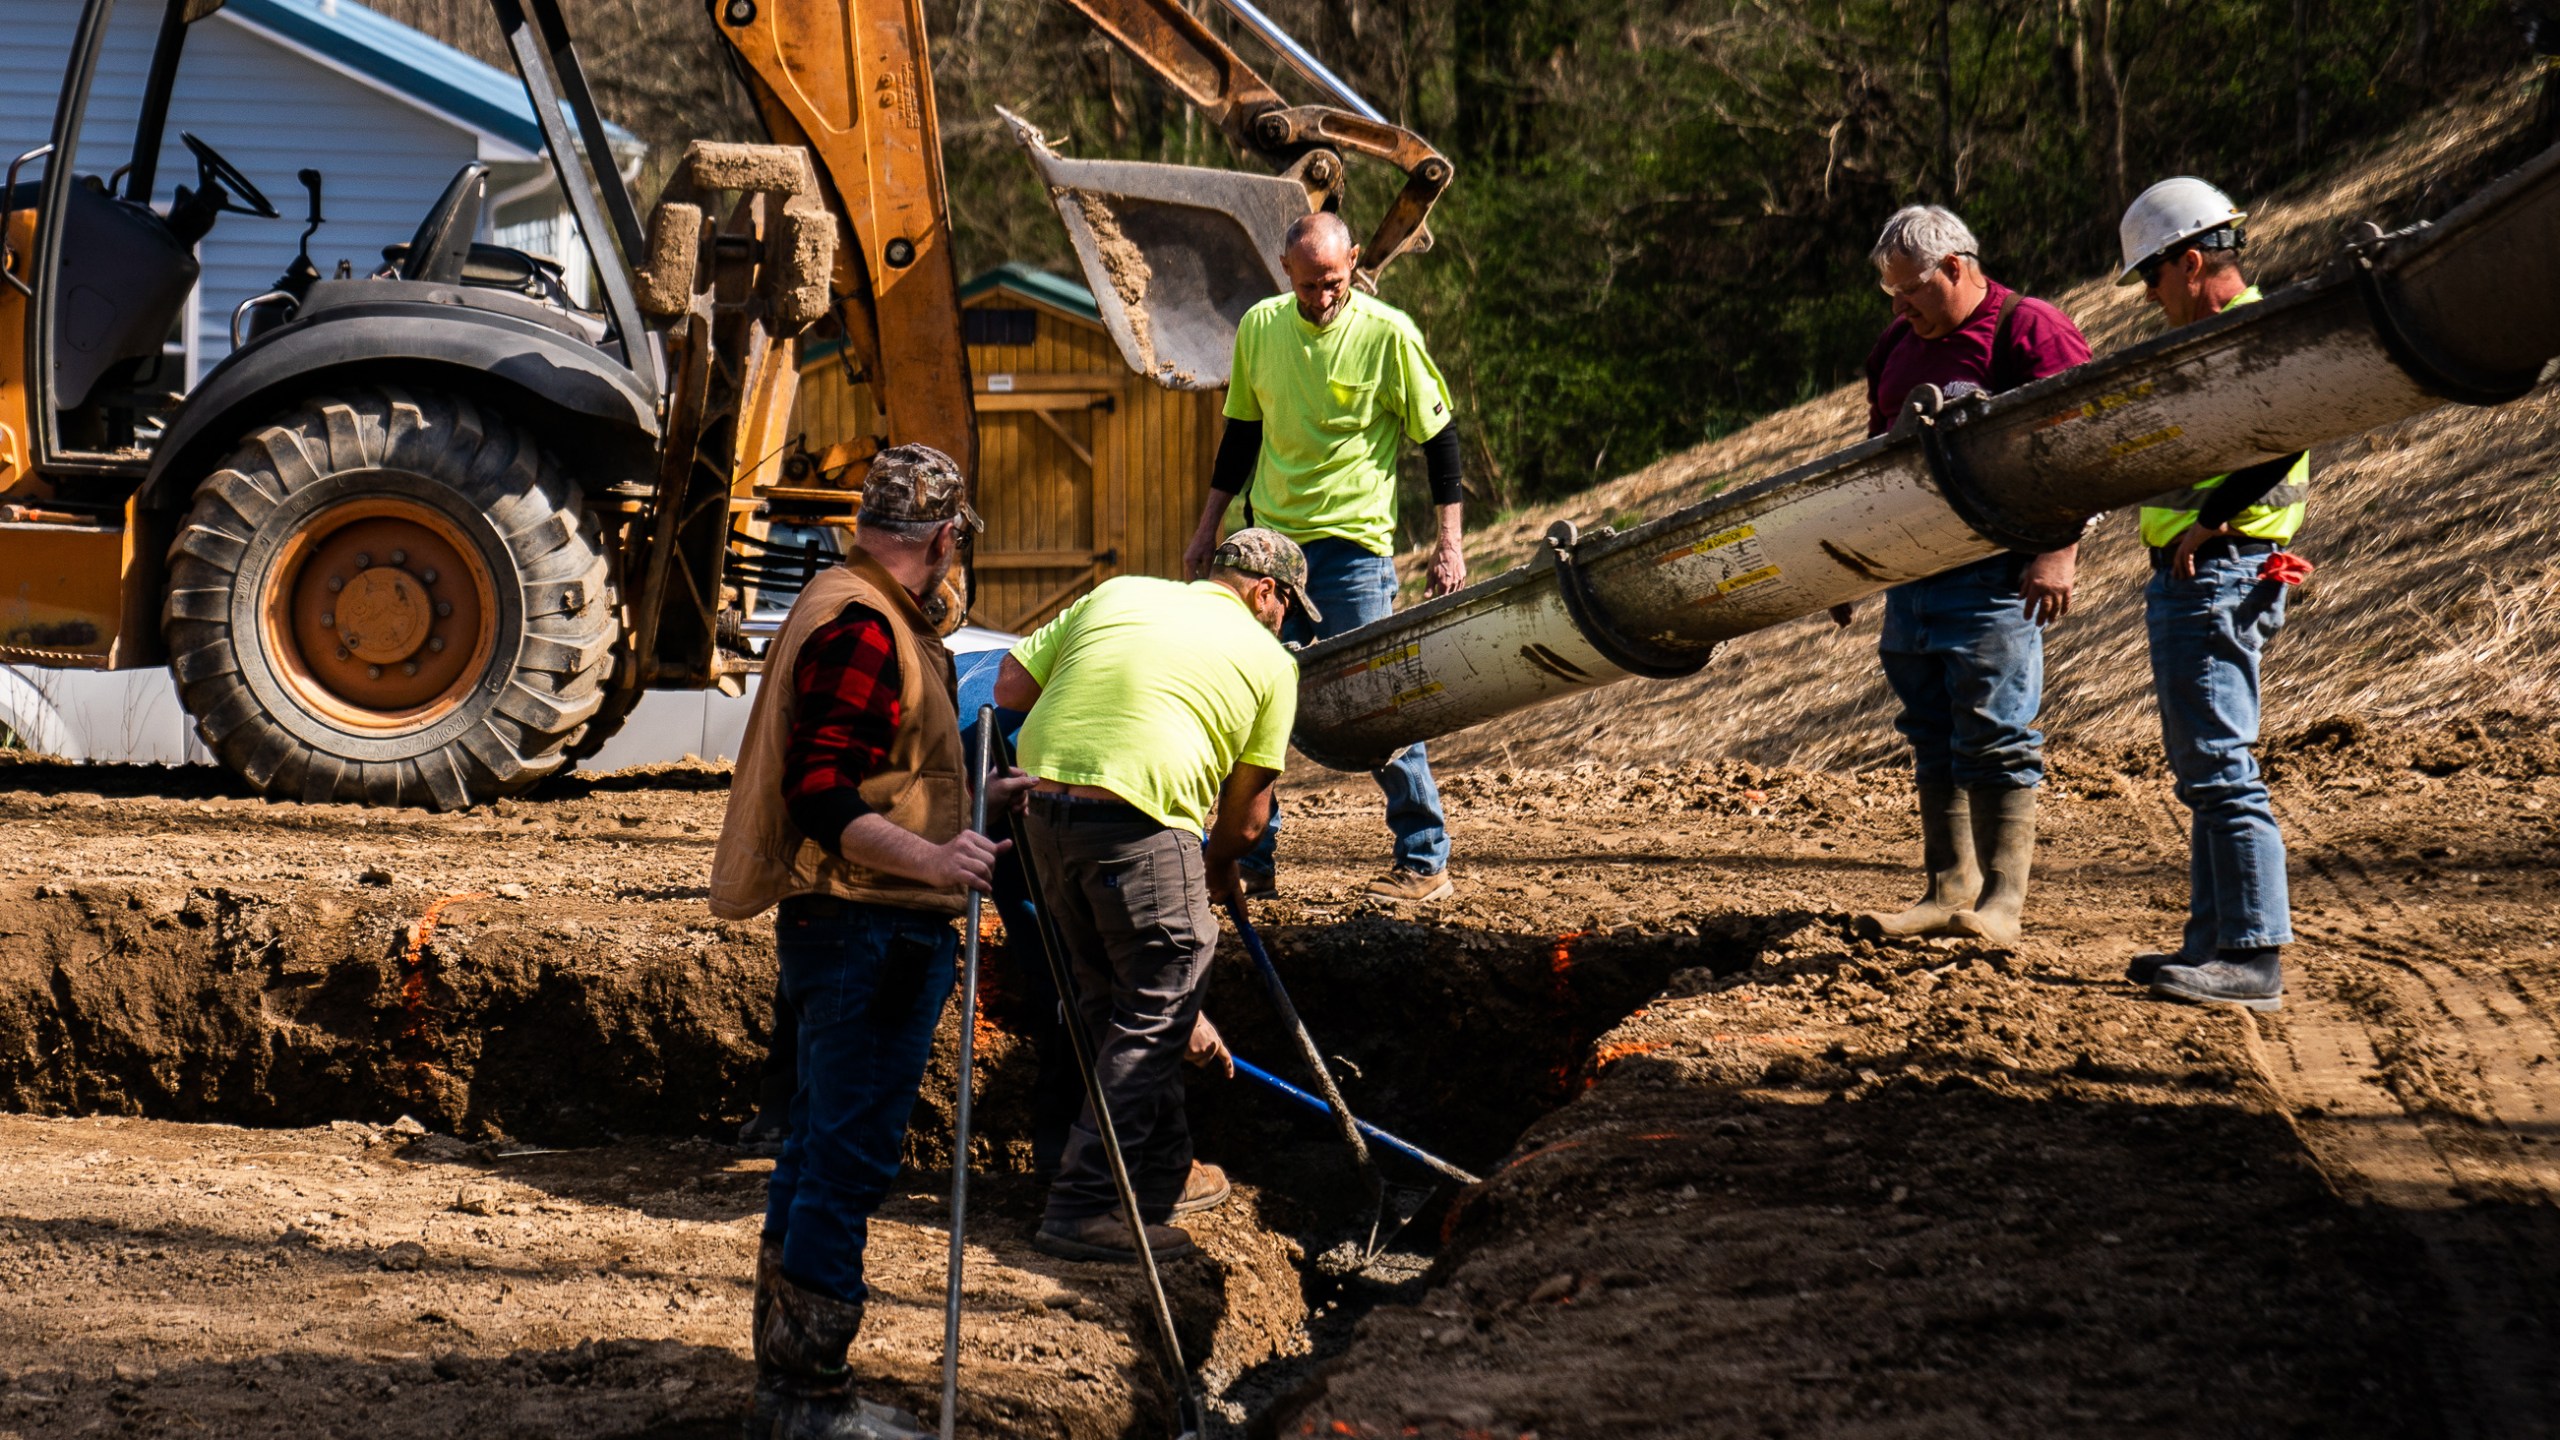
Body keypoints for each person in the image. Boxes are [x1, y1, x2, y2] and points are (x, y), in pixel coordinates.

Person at [707, 444, 1032, 1440]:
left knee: (816, 1147)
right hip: (866, 924)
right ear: (940, 539)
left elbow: (881, 772)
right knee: (847, 1158)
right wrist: (934, 863)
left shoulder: (846, 603)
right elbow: (822, 793)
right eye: (952, 545)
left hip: (851, 920)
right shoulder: (862, 628)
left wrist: (974, 799)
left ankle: (789, 1389)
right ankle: (808, 1399)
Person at [995, 529, 1308, 1262]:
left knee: (1112, 1000)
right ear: (1267, 592)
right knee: (1160, 1004)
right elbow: (1248, 818)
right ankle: (1085, 1205)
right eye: (1289, 605)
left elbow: (1009, 688)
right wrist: (1222, 863)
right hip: (1138, 820)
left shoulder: (1118, 592)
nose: (1285, 621)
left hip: (1041, 814)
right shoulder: (1271, 660)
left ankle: (1163, 1171)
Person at [1179, 210, 1464, 904]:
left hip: (1354, 548)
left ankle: (1424, 858)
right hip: (1269, 546)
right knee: (1245, 699)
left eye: (1332, 282)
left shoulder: (1389, 335)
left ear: (1356, 263)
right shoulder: (1260, 329)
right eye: (1307, 285)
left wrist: (1449, 543)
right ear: (1287, 275)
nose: (1321, 297)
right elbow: (1241, 438)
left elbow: (1441, 439)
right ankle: (1250, 859)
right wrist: (1207, 526)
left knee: (1380, 702)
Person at [1842, 205, 2094, 947]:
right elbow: (1873, 461)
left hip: (1995, 573)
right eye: (1891, 295)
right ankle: (1946, 888)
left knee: (1995, 731)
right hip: (1912, 573)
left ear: (1956, 267)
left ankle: (2001, 905)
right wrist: (1851, 562)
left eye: (1911, 289)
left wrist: (2058, 551)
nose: (1901, 307)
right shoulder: (1896, 343)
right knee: (1930, 731)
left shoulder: (2031, 329)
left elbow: (2084, 446)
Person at [2115, 177, 2310, 1012]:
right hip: (2211, 571)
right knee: (2206, 769)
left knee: (2223, 768)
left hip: (2218, 568)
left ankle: (2252, 954)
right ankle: (2213, 941)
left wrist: (2212, 519)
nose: (2152, 300)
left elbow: (2289, 429)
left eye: (2153, 281)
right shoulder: (2235, 336)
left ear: (2190, 263)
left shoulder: (2246, 337)